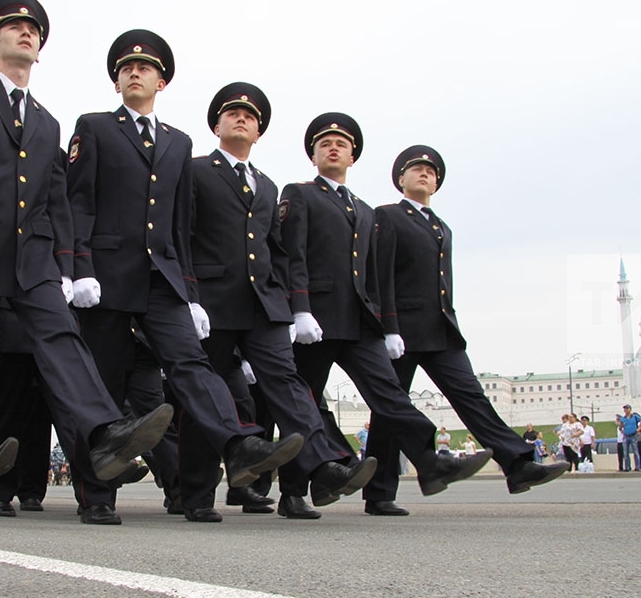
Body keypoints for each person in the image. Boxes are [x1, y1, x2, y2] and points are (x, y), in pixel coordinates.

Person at [0, 0, 174, 526]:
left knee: (63, 341)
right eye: (13, 28)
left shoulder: (48, 122)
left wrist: (67, 267)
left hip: (32, 261)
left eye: (33, 30)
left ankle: (105, 433)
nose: (26, 34)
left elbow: (57, 201)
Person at [65, 33, 303, 523]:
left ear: (162, 81)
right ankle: (97, 496)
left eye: (145, 67)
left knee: (192, 365)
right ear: (116, 80)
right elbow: (79, 203)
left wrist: (190, 293)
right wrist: (79, 268)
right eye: (127, 67)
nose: (135, 72)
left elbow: (178, 224)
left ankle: (238, 444)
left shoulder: (178, 142)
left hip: (163, 278)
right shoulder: (94, 127)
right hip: (107, 278)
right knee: (106, 384)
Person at [173, 81, 372, 521]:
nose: (242, 119)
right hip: (212, 301)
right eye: (233, 113)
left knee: (288, 383)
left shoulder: (265, 185)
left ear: (259, 133)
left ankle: (324, 466)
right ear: (217, 125)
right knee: (209, 393)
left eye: (251, 117)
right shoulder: (196, 170)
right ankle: (197, 494)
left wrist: (291, 305)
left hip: (263, 304)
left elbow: (277, 249)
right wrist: (188, 296)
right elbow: (180, 234)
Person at [280, 114, 490, 519]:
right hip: (317, 322)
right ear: (314, 155)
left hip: (360, 321)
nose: (333, 148)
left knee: (390, 395)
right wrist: (299, 308)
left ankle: (430, 460)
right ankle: (293, 492)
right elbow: (294, 255)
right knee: (304, 403)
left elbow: (372, 273)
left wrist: (386, 323)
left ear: (353, 156)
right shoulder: (301, 194)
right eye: (325, 144)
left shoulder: (363, 210)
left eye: (341, 144)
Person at [359, 145, 568, 514]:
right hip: (402, 331)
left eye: (431, 172)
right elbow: (382, 274)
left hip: (441, 331)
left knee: (472, 397)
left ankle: (517, 464)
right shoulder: (388, 216)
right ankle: (380, 493)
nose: (425, 174)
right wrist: (388, 326)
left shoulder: (441, 227)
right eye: (416, 169)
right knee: (392, 409)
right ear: (401, 180)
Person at [616, 405, 640, 472]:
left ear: (630, 409)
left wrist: (638, 430)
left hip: (633, 435)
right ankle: (627, 467)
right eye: (625, 409)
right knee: (626, 453)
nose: (626, 410)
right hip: (626, 436)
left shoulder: (635, 417)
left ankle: (637, 466)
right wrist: (623, 431)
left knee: (635, 452)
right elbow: (620, 427)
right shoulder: (623, 419)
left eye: (627, 409)